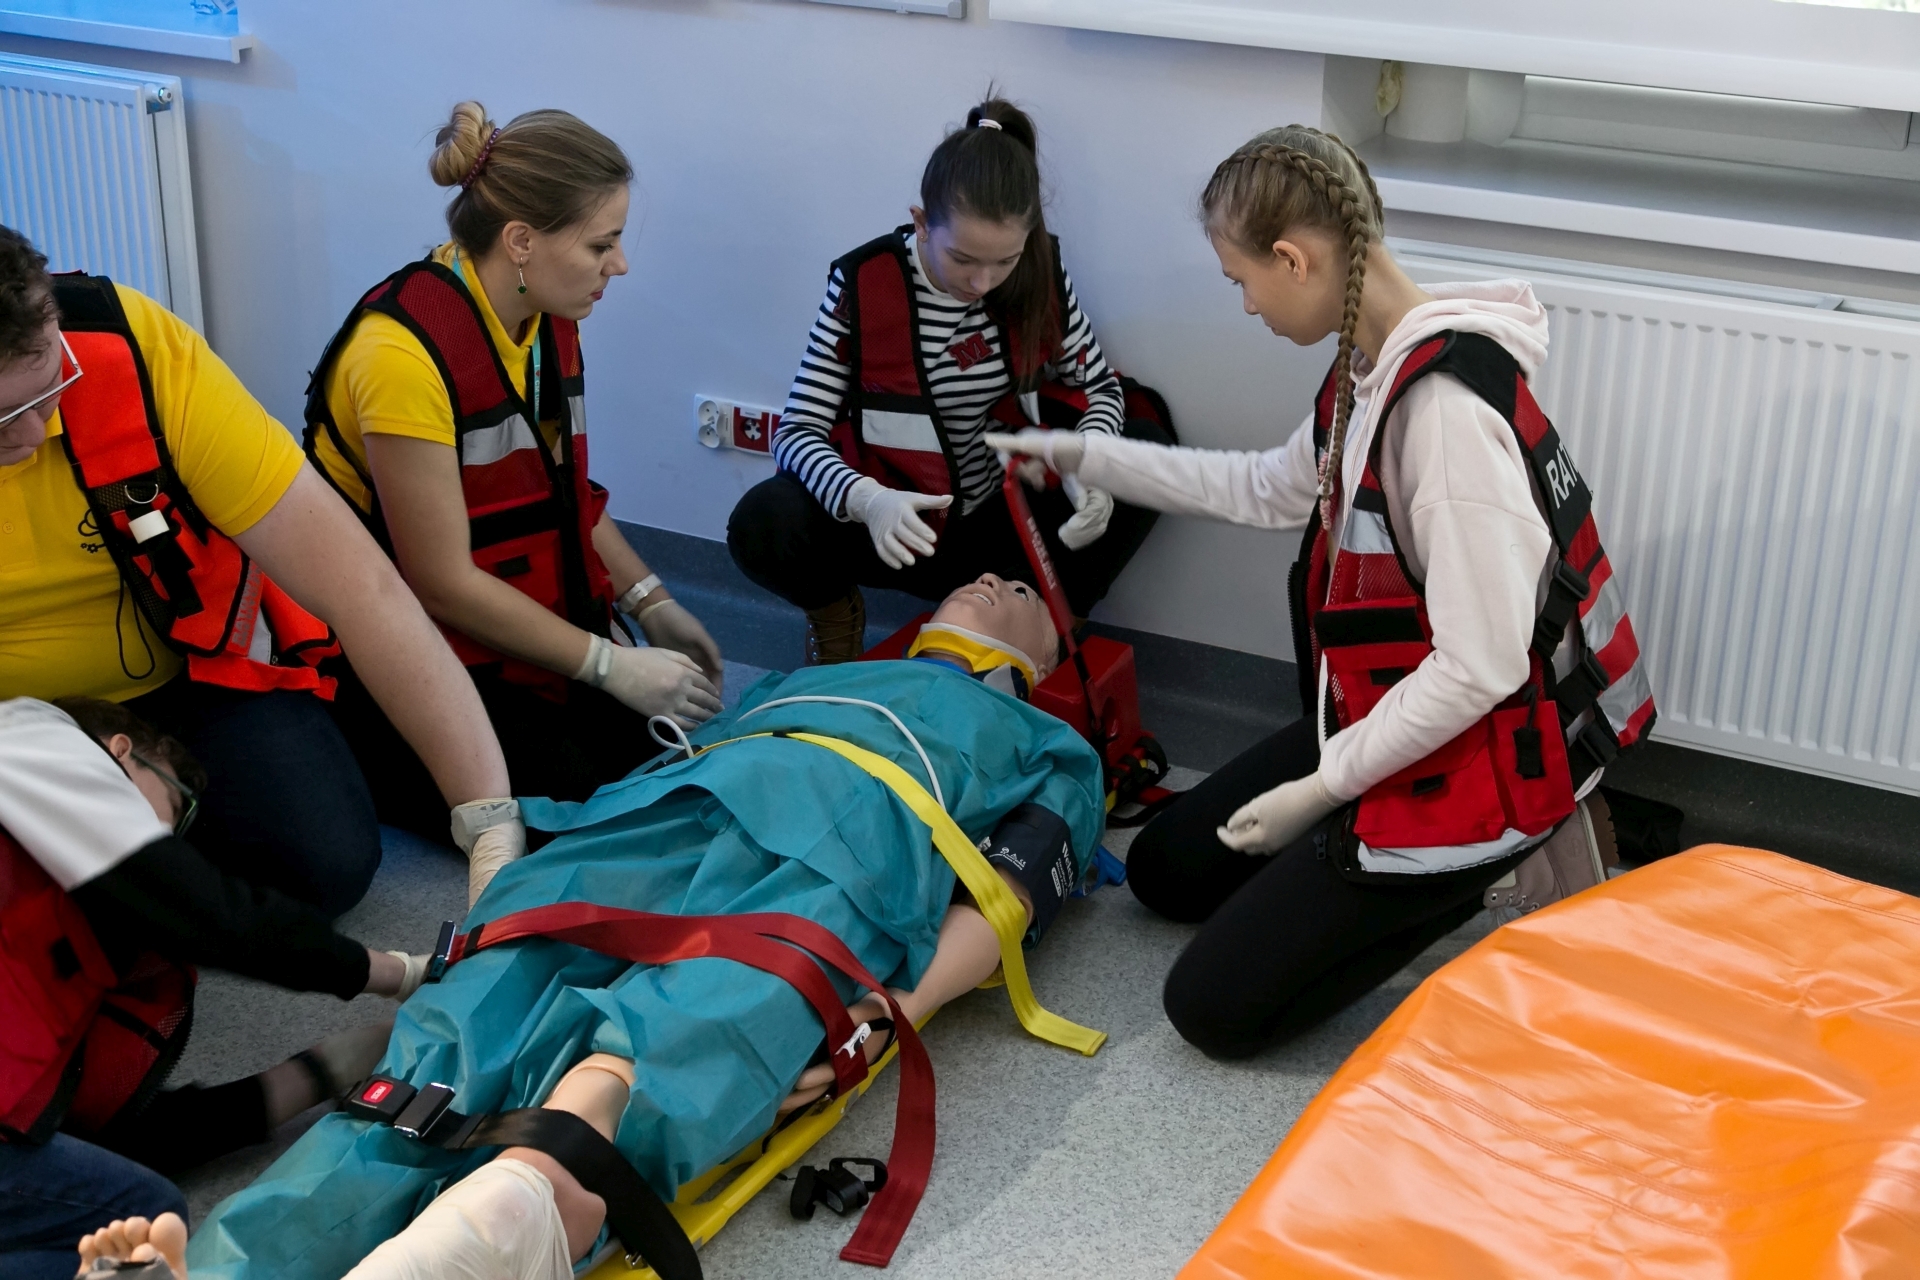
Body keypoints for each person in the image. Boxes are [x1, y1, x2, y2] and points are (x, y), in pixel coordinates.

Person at [81, 574, 1103, 1280]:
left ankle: (546, 1180)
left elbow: (1003, 899)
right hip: (650, 819)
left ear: (1049, 647)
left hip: (846, 855)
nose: (985, 579)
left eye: (1015, 585)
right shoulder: (805, 681)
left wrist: (883, 1015)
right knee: (469, 1017)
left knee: (700, 1003)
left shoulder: (1052, 743)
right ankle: (226, 1261)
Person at [990, 124, 1655, 1059]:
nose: (1246, 305)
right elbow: (1269, 488)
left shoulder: (1446, 421)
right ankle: (1359, 835)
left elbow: (1485, 667)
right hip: (1388, 712)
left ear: (1294, 259)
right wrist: (1091, 457)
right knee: (1165, 873)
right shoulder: (1368, 365)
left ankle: (1508, 861)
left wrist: (1320, 789)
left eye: (1242, 280)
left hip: (1490, 757)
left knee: (1212, 1011)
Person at [0, 225, 522, 917]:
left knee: (326, 862)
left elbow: (364, 589)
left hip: (188, 672)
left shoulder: (136, 351)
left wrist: (488, 821)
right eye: (1, 419)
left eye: (46, 391)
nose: (32, 435)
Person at [306, 101, 725, 843]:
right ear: (522, 241)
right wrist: (609, 665)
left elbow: (564, 494)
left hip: (497, 619)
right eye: (603, 244)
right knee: (592, 813)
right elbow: (439, 582)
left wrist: (651, 601)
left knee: (672, 761)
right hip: (395, 642)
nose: (620, 265)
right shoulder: (400, 356)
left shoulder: (545, 313)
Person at [726, 94, 1172, 664]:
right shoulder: (864, 284)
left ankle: (1042, 638)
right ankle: (835, 620)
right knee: (763, 521)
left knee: (1146, 450)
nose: (983, 282)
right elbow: (796, 433)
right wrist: (866, 499)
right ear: (921, 223)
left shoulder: (1039, 269)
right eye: (963, 259)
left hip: (1000, 529)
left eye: (1005, 261)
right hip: (896, 520)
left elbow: (1100, 387)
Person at [0, 697, 426, 1280]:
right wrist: (400, 972)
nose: (170, 840)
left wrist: (322, 1070)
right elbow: (217, 916)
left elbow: (107, 1141)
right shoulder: (41, 738)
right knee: (137, 1235)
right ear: (121, 752)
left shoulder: (45, 917)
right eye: (174, 810)